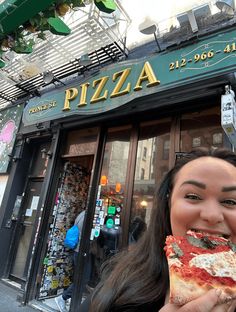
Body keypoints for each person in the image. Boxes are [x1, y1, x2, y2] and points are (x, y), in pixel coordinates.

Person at [78, 147, 236, 312]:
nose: (211, 215)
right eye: (192, 196)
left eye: (231, 202)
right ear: (168, 206)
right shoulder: (118, 289)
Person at [55, 210, 85, 312]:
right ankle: (63, 298)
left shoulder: (81, 214)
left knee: (79, 277)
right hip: (81, 251)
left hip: (77, 250)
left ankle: (72, 297)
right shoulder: (87, 216)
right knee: (83, 278)